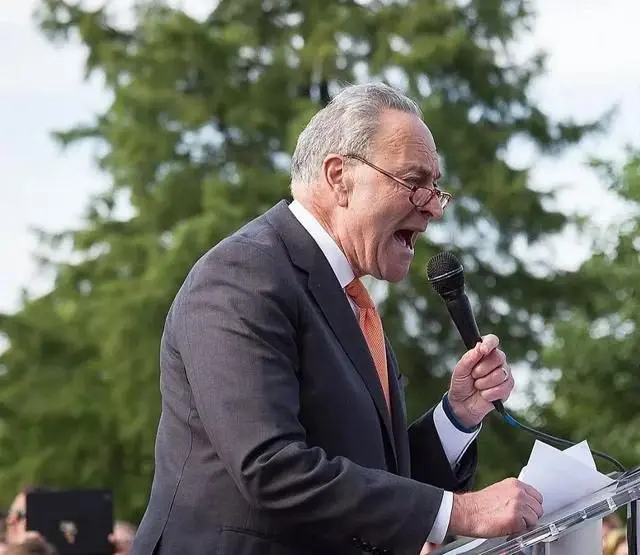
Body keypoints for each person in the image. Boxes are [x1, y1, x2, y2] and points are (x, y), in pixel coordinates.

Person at [130, 83, 543, 555]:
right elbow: (272, 468)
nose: (431, 207)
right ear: (339, 178)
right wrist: (460, 512)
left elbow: (378, 485)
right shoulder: (242, 276)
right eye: (414, 182)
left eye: (435, 188)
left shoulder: (348, 299)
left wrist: (459, 415)